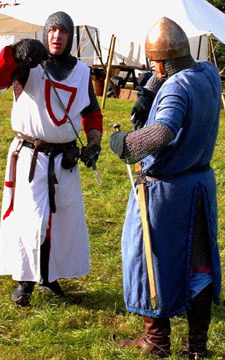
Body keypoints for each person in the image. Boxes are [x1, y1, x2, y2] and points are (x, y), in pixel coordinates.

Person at [109, 17, 221, 359]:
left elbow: (163, 132)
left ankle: (156, 341)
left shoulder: (176, 87)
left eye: (154, 64)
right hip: (199, 185)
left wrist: (125, 143)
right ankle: (197, 346)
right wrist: (150, 90)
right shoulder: (208, 74)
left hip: (166, 194)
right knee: (198, 266)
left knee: (150, 263)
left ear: (159, 61)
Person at [0, 11, 103, 307]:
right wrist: (16, 53)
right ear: (45, 33)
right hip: (31, 157)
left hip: (64, 158)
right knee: (29, 220)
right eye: (52, 30)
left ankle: (50, 279)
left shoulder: (80, 72)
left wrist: (93, 141)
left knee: (60, 223)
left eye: (63, 31)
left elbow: (91, 112)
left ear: (70, 37)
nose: (56, 36)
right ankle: (25, 281)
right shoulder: (28, 67)